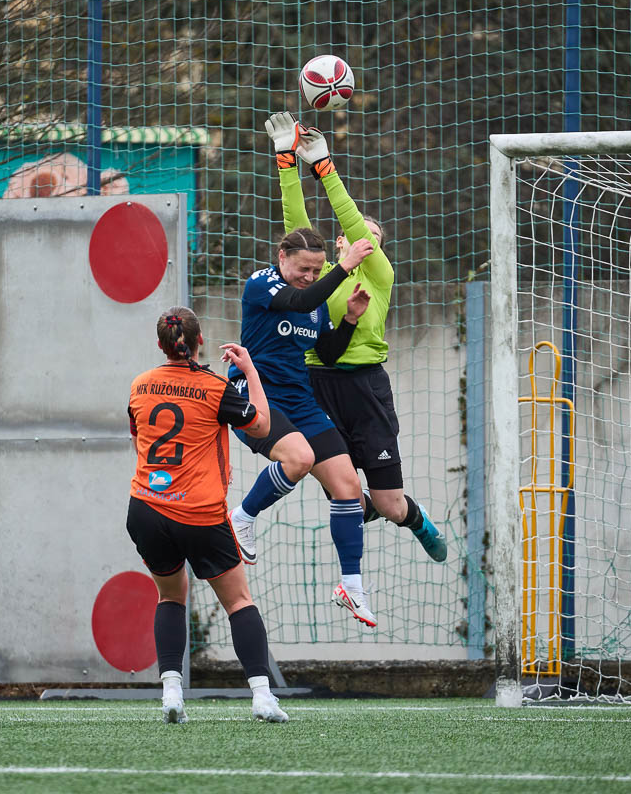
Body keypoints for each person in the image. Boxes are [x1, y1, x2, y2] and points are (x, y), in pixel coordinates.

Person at [265, 111, 447, 564]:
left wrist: (325, 167)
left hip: (367, 389)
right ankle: (352, 575)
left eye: (374, 239)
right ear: (340, 244)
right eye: (357, 236)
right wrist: (289, 161)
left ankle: (415, 519)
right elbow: (296, 224)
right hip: (317, 386)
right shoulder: (321, 276)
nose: (367, 241)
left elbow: (356, 223)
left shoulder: (379, 277)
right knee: (343, 493)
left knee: (390, 505)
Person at [223, 142, 379, 626]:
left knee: (348, 486)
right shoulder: (263, 284)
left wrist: (348, 319)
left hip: (300, 400)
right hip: (256, 397)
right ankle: (242, 517)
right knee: (299, 458)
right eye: (303, 268)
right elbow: (299, 301)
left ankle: (351, 587)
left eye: (316, 269)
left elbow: (325, 352)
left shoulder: (315, 302)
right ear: (282, 257)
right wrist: (343, 266)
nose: (309, 276)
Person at [127, 306, 286, 723]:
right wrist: (250, 371)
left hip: (146, 508)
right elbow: (262, 425)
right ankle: (262, 696)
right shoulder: (216, 387)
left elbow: (139, 439)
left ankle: (171, 693)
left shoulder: (139, 385)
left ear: (160, 345)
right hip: (198, 512)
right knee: (239, 601)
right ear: (199, 341)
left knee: (170, 596)